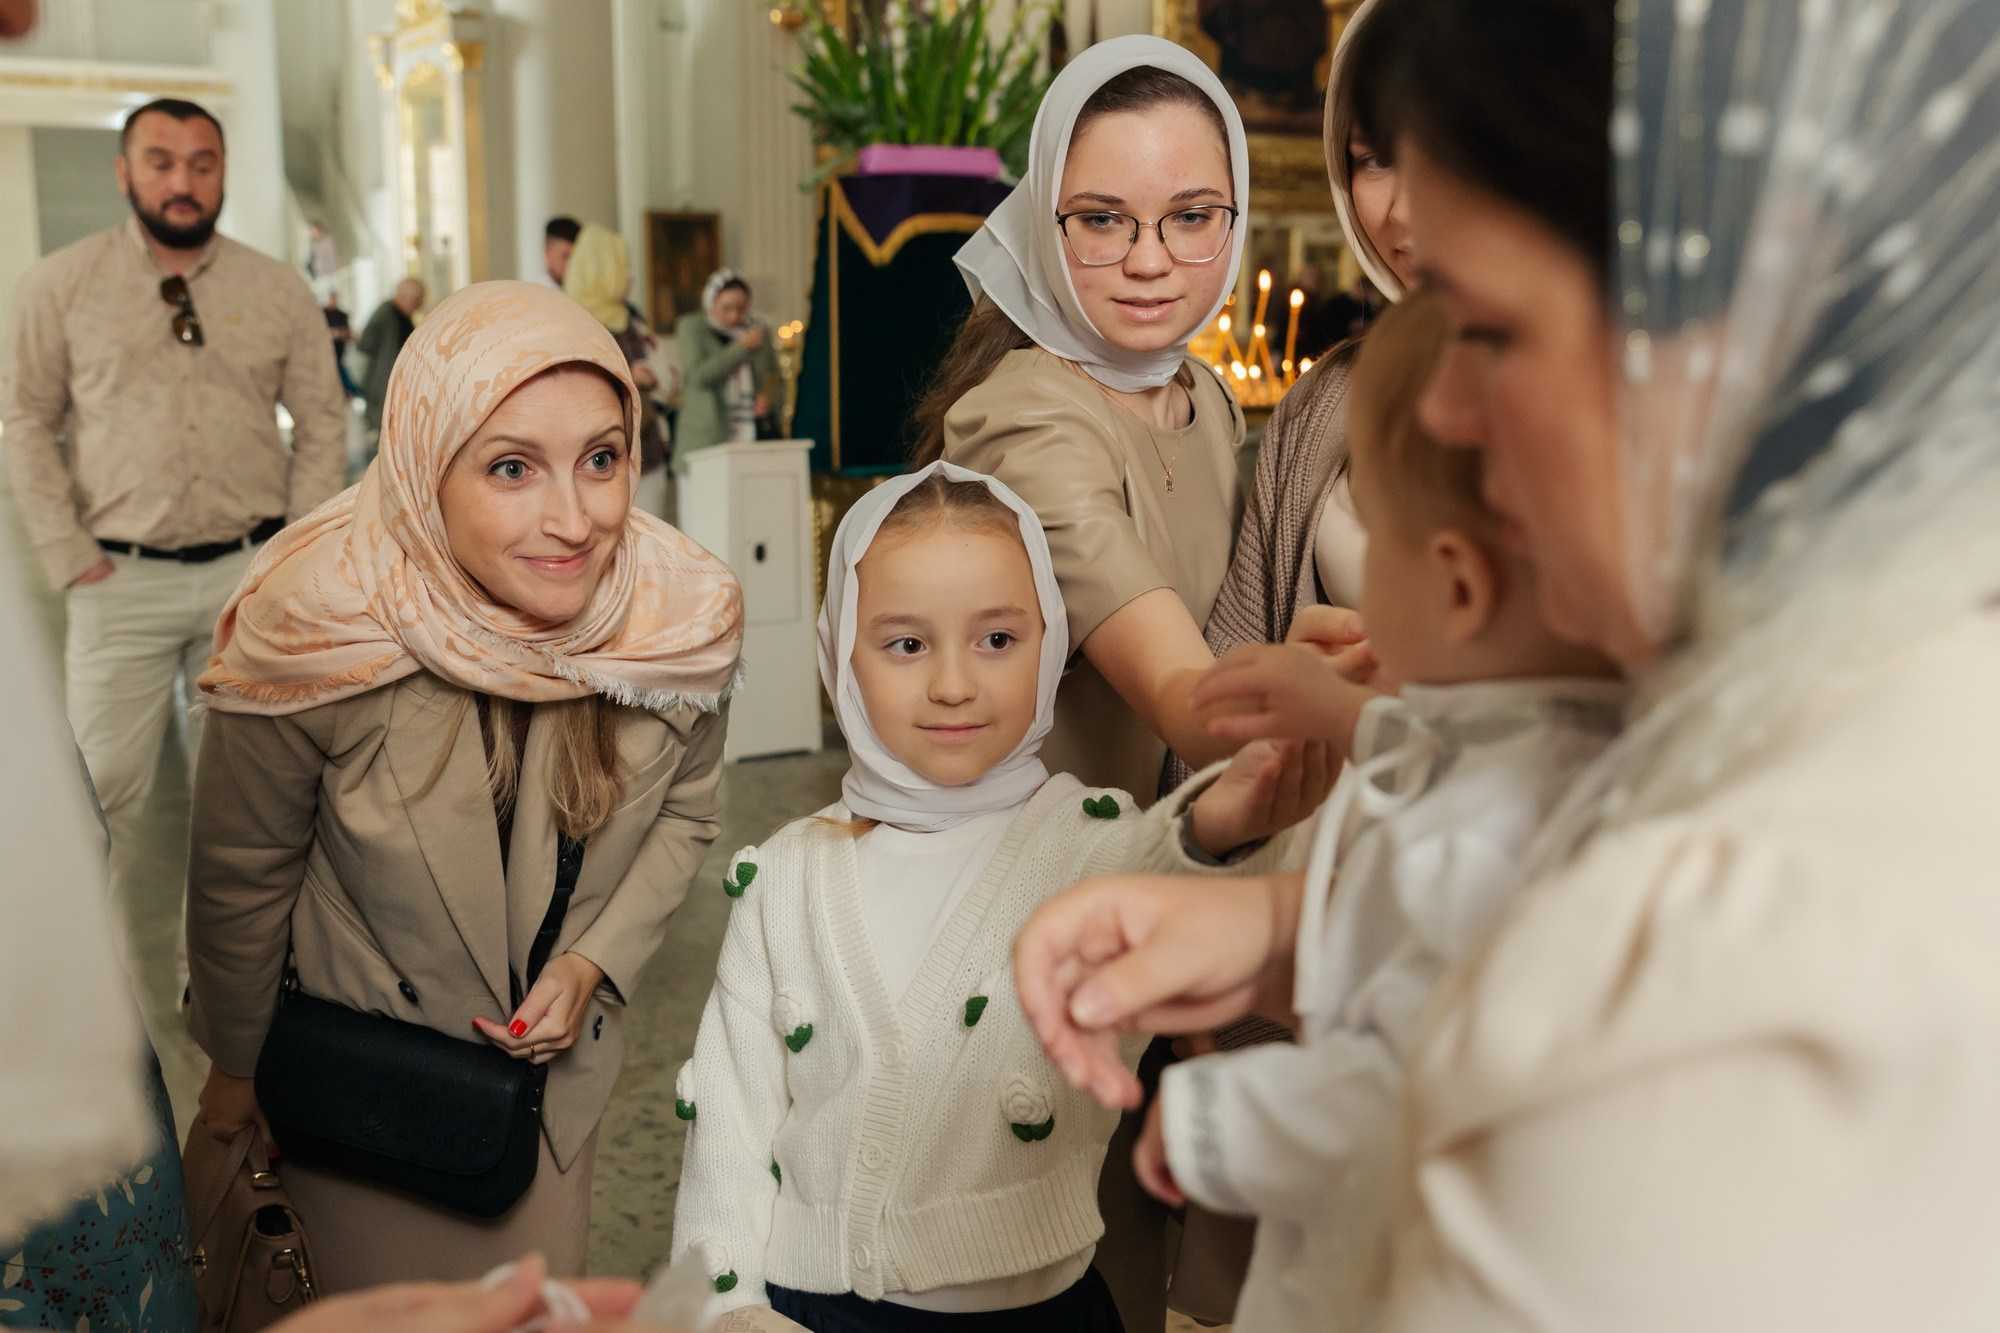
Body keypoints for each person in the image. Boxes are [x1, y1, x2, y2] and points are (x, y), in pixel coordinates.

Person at [1020, 0, 2000, 1327]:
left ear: (1733, 319)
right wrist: (1286, 932)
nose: (1445, 413)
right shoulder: (1880, 678)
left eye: (1485, 327)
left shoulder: (1689, 1005)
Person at [670, 462, 1330, 1333]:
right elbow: (730, 1128)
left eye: (997, 640)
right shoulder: (785, 878)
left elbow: (1186, 881)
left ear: (1051, 641)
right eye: (906, 644)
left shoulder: (1093, 848)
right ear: (839, 653)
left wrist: (1225, 815)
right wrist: (728, 1311)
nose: (954, 684)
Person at [184, 280, 744, 1292]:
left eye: (602, 459)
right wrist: (231, 1083)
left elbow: (689, 813)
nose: (572, 520)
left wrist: (592, 964)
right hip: (361, 1103)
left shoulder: (677, 620)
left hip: (540, 1110)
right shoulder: (313, 625)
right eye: (510, 468)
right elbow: (241, 876)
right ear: (422, 466)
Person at [1130, 293, 1621, 1333]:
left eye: (1377, 530)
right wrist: (1342, 711)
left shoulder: (1457, 847)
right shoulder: (1556, 739)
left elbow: (1398, 1086)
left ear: (1450, 583)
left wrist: (1215, 1125)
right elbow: (1446, 754)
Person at [913, 37, 1252, 1330]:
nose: (1153, 259)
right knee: (1045, 1272)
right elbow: (1191, 699)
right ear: (1044, 217)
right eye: (1103, 222)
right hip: (1032, 917)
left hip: (1168, 890)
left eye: (1190, 218)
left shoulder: (1202, 398)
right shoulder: (1024, 415)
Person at [0, 95, 347, 1048]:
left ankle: (222, 988)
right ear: (125, 172)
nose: (182, 180)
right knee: (97, 792)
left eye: (201, 162)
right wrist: (69, 556)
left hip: (249, 581)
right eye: (161, 161)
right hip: (119, 579)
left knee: (238, 802)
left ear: (223, 172)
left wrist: (292, 555)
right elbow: (25, 420)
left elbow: (323, 422)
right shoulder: (60, 285)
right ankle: (86, 1005)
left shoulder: (276, 290)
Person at [565, 224, 673, 518]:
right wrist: (626, 378)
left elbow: (668, 375)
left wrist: (651, 377)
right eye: (622, 267)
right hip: (596, 459)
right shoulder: (572, 323)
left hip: (646, 449)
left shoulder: (631, 321)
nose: (629, 277)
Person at [673, 269, 780, 467]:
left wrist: (768, 397)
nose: (735, 315)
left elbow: (774, 378)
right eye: (727, 308)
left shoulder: (759, 331)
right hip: (705, 442)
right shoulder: (692, 327)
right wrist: (741, 347)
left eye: (741, 308)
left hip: (751, 437)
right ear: (711, 303)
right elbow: (698, 377)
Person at [357, 276, 426, 450]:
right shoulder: (387, 314)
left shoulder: (399, 316)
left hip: (389, 384)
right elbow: (365, 344)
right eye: (418, 301)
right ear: (409, 298)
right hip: (382, 385)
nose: (420, 306)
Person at [324, 289, 360, 397]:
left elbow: (350, 334)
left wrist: (338, 334)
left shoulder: (342, 315)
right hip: (327, 353)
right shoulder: (322, 314)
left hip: (340, 352)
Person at [546, 215, 582, 288]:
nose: (572, 264)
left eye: (576, 257)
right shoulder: (530, 295)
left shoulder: (581, 293)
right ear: (547, 251)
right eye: (566, 256)